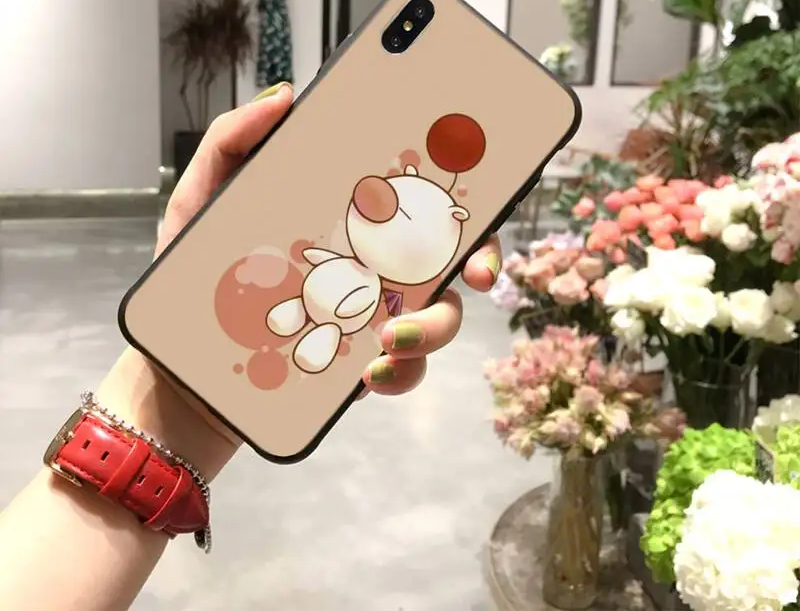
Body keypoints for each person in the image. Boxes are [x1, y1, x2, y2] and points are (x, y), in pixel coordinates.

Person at [0, 83, 502, 610]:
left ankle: (319, 334)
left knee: (335, 330)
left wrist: (178, 423)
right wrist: (164, 404)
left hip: (339, 310)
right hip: (308, 298)